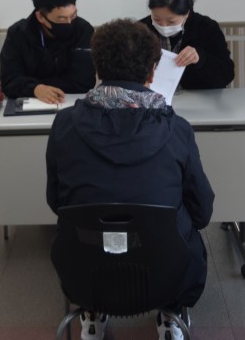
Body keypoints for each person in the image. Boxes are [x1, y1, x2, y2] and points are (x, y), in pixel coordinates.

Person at [46, 19, 214, 340]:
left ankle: (92, 313)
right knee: (183, 227)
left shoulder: (64, 124)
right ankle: (170, 314)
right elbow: (202, 211)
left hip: (85, 271)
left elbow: (56, 202)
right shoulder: (177, 129)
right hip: (164, 272)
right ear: (152, 72)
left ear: (97, 69)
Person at [0, 0, 96, 103]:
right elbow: (9, 81)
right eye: (62, 19)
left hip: (71, 103)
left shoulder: (83, 30)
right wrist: (35, 89)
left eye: (73, 15)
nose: (69, 23)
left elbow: (84, 81)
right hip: (32, 103)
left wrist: (35, 84)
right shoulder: (17, 34)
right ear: (40, 17)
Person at [140, 0, 235, 89]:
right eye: (157, 19)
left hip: (198, 95)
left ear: (186, 13)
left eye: (171, 21)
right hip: (150, 95)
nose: (164, 26)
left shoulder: (206, 27)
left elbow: (227, 74)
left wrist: (200, 59)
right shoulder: (140, 29)